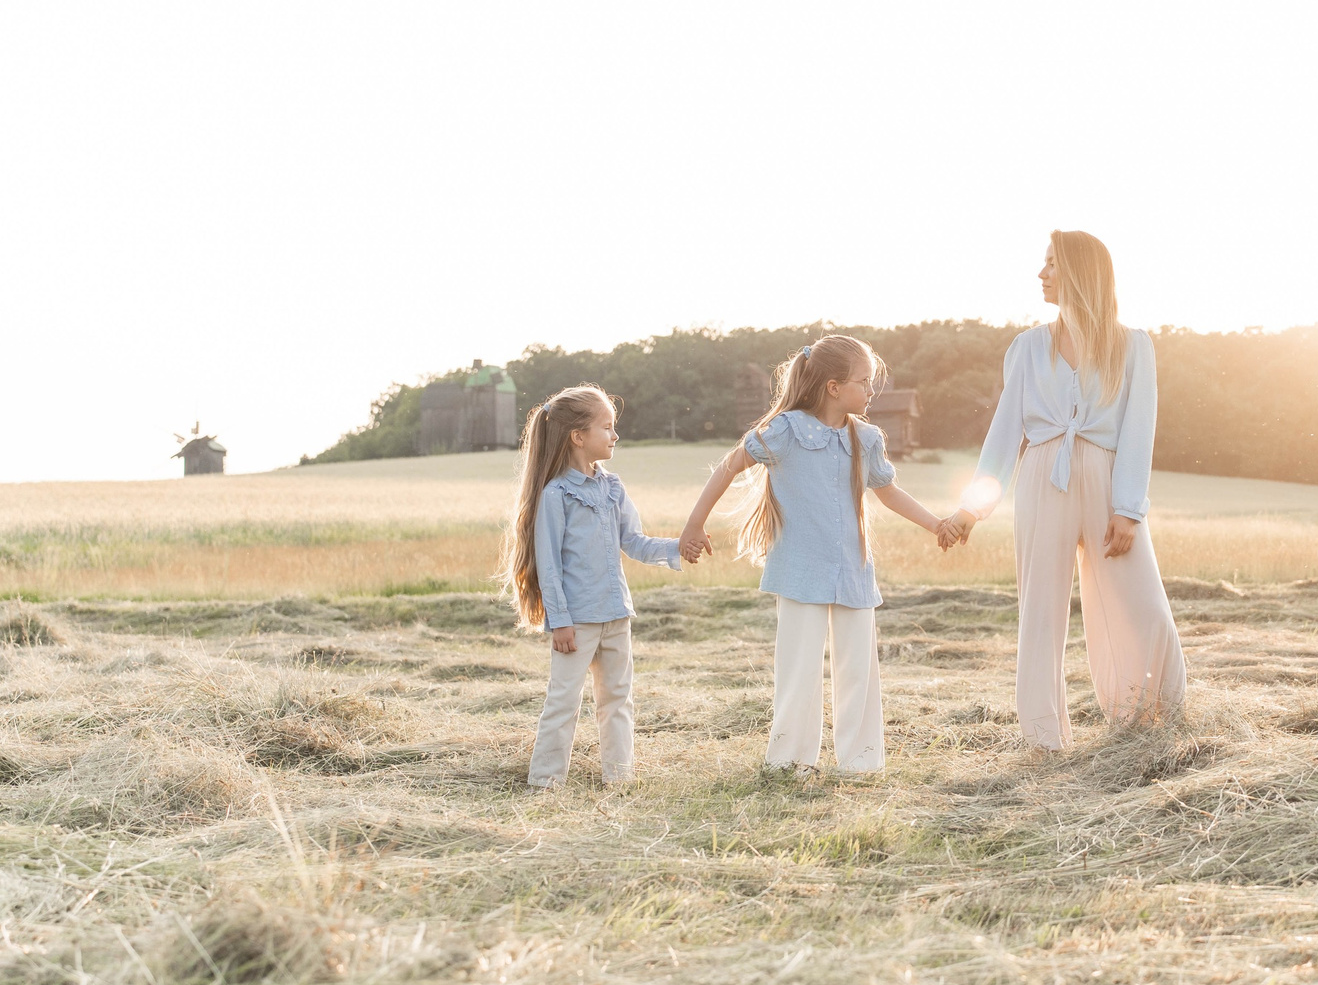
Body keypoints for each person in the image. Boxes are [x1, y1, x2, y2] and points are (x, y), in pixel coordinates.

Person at [943, 230, 1186, 749]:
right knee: (1041, 610)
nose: (1042, 273)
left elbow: (1139, 431)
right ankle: (1043, 741)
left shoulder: (1134, 345)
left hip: (1106, 482)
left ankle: (1154, 721)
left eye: (1052, 263)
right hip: (1042, 479)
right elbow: (1006, 433)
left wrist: (1128, 509)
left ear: (1080, 271)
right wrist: (971, 510)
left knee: (1143, 606)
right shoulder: (1028, 347)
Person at [680, 335, 954, 776]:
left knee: (859, 672)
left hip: (852, 569)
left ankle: (861, 764)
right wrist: (695, 524)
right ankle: (788, 763)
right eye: (863, 382)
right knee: (799, 669)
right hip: (799, 570)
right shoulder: (786, 431)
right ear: (832, 387)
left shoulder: (866, 438)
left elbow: (889, 492)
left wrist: (936, 524)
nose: (870, 391)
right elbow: (730, 465)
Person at [506, 384, 682, 790]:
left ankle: (619, 779)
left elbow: (634, 541)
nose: (615, 435)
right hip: (577, 622)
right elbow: (549, 566)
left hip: (616, 614)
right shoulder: (556, 496)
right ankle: (546, 782)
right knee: (563, 701)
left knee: (618, 699)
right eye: (607, 427)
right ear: (578, 437)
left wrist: (677, 548)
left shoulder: (612, 487)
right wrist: (560, 621)